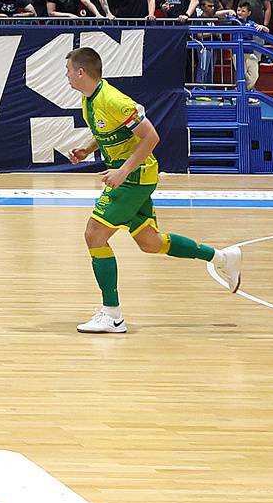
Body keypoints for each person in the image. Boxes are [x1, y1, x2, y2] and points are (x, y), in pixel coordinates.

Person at [63, 46, 241, 335]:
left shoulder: (113, 100)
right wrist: (87, 148)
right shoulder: (90, 99)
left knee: (94, 234)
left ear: (81, 72)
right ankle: (222, 258)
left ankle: (112, 315)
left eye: (69, 71)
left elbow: (151, 136)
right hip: (134, 176)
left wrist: (123, 171)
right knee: (150, 242)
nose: (67, 76)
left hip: (134, 177)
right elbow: (110, 132)